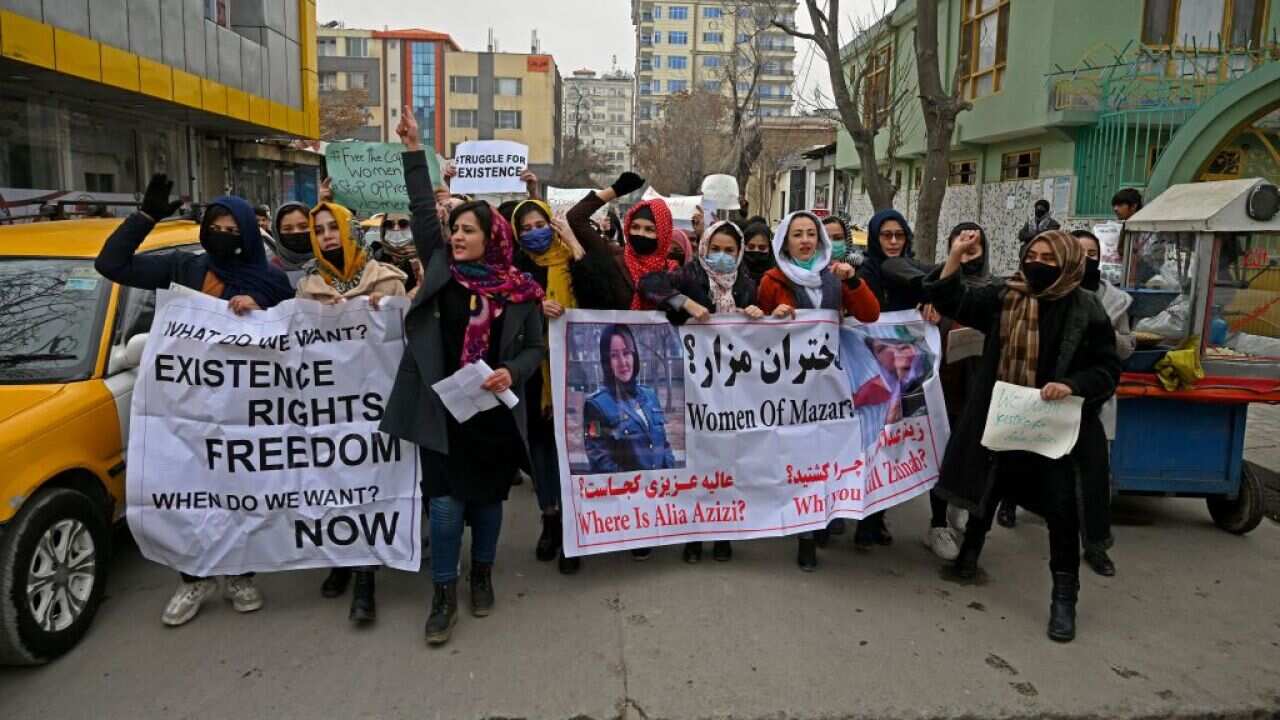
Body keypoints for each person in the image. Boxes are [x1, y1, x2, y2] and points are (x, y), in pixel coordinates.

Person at [95, 174, 295, 627]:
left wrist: (259, 309)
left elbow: (292, 336)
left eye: (232, 229)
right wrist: (145, 217)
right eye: (215, 226)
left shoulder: (271, 279)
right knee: (191, 494)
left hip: (246, 412)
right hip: (187, 408)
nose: (222, 235)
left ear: (245, 233)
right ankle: (194, 579)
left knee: (242, 494)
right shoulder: (184, 268)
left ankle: (241, 575)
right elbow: (111, 265)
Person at [923, 229, 1121, 642]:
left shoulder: (1087, 309)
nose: (1039, 264)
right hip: (1006, 417)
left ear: (1068, 263)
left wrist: (1072, 384)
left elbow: (1107, 370)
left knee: (1062, 509)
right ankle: (969, 556)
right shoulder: (1005, 296)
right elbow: (951, 299)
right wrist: (957, 255)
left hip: (1057, 432)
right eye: (1033, 255)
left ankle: (1064, 598)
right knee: (988, 488)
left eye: (1050, 258)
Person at [293, 198, 408, 622]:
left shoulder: (388, 282)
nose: (326, 236)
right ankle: (338, 560)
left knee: (368, 491)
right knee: (332, 485)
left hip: (374, 408)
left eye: (332, 228)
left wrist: (387, 313)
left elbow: (406, 340)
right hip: (327, 410)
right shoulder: (308, 288)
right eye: (318, 230)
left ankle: (365, 579)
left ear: (350, 230)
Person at [754, 210, 880, 571]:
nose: (806, 240)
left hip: (831, 381)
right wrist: (769, 316)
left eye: (812, 234)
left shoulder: (834, 278)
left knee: (829, 451)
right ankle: (805, 534)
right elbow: (754, 332)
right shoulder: (771, 280)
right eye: (798, 235)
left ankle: (823, 516)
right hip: (790, 385)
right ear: (786, 242)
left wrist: (853, 282)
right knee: (798, 454)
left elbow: (869, 314)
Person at [512, 195, 629, 574]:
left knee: (576, 450)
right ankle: (551, 518)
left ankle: (575, 528)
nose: (534, 233)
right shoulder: (513, 268)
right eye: (525, 229)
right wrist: (533, 308)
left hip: (578, 373)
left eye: (540, 224)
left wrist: (576, 246)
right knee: (542, 449)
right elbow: (500, 313)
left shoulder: (570, 260)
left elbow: (606, 297)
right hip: (533, 376)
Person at [640, 220, 764, 564]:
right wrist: (684, 303)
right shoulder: (688, 276)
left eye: (729, 251)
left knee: (728, 461)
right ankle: (693, 534)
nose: (722, 256)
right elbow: (649, 283)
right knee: (695, 461)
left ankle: (723, 532)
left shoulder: (745, 285)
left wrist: (754, 313)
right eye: (716, 249)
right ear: (704, 247)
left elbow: (755, 334)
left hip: (731, 391)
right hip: (692, 388)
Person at [854, 209, 930, 551]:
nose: (894, 242)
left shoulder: (915, 272)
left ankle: (877, 516)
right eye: (886, 235)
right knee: (866, 441)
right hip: (867, 371)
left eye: (900, 235)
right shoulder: (864, 272)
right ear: (874, 238)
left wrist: (932, 305)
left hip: (905, 375)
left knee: (892, 443)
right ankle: (858, 516)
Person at [1073, 228, 1135, 576]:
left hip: (1095, 399)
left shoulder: (1115, 301)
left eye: (1092, 253)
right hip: (1053, 396)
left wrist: (1100, 329)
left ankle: (1095, 545)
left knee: (1094, 476)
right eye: (1079, 252)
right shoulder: (1052, 291)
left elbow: (1126, 346)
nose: (1086, 259)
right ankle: (1009, 504)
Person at [583, 324, 677, 473]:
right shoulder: (595, 406)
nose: (623, 362)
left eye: (626, 353)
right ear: (606, 361)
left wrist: (670, 474)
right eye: (614, 355)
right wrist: (635, 486)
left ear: (634, 356)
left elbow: (664, 445)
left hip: (662, 490)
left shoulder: (650, 395)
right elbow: (598, 457)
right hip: (628, 492)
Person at [369, 213, 422, 295]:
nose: (396, 229)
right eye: (389, 224)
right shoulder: (374, 257)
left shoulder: (425, 257)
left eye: (403, 224)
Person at [270, 202, 316, 285]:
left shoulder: (329, 263)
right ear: (277, 233)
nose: (296, 232)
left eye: (303, 226)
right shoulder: (272, 269)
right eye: (287, 229)